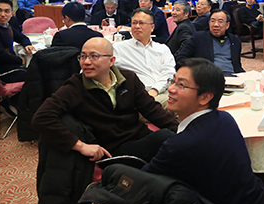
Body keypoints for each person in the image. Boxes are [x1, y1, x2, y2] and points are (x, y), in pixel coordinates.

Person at [142, 58, 264, 204]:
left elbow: (145, 181)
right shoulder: (225, 118)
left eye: (181, 85)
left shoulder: (179, 145)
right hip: (252, 201)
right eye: (172, 82)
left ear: (205, 97)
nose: (171, 89)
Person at [32, 37, 178, 162]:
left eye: (94, 56)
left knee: (176, 142)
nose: (86, 62)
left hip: (141, 137)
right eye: (83, 56)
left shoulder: (128, 79)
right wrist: (80, 146)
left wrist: (182, 130)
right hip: (114, 150)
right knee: (166, 140)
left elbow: (152, 110)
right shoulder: (75, 86)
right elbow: (41, 117)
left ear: (111, 60)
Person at [113, 8, 176, 105]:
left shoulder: (162, 49)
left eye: (141, 23)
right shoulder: (118, 48)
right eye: (134, 23)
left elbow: (169, 72)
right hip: (140, 95)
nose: (137, 26)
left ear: (152, 27)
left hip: (165, 91)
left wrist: (155, 89)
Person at [175, 10, 244, 76]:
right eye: (212, 21)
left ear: (227, 25)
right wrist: (196, 71)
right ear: (209, 23)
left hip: (232, 77)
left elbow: (237, 65)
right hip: (208, 77)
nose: (216, 25)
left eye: (220, 21)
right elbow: (181, 58)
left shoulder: (235, 41)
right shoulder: (198, 37)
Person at [0, 0, 35, 83]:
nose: (3, 14)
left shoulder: (6, 26)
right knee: (38, 75)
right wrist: (20, 60)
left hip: (11, 66)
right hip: (1, 72)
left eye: (7, 11)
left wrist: (27, 44)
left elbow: (21, 37)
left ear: (11, 13)